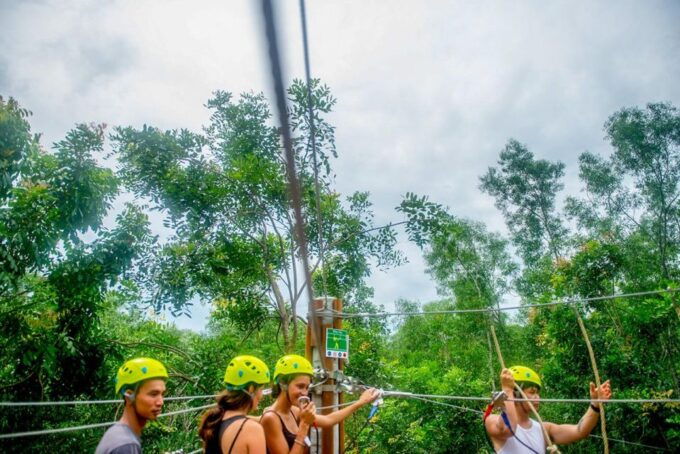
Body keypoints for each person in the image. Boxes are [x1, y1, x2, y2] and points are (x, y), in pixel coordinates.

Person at [261, 354, 380, 454]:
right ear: (283, 384)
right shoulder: (271, 418)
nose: (304, 393)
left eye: (307, 387)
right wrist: (304, 425)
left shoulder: (293, 411)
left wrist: (360, 402)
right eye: (300, 386)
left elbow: (328, 420)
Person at [484, 366, 612, 453]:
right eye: (532, 392)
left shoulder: (543, 429)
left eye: (538, 393)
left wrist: (594, 404)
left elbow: (580, 431)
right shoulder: (493, 420)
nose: (537, 398)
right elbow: (509, 430)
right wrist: (507, 391)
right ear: (516, 393)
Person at [198, 355, 270, 454]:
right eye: (261, 389)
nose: (262, 395)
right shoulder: (251, 429)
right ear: (251, 389)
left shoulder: (217, 419)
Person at [95, 357, 169, 454]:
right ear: (129, 396)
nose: (160, 402)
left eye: (162, 394)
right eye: (153, 394)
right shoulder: (125, 446)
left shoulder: (119, 435)